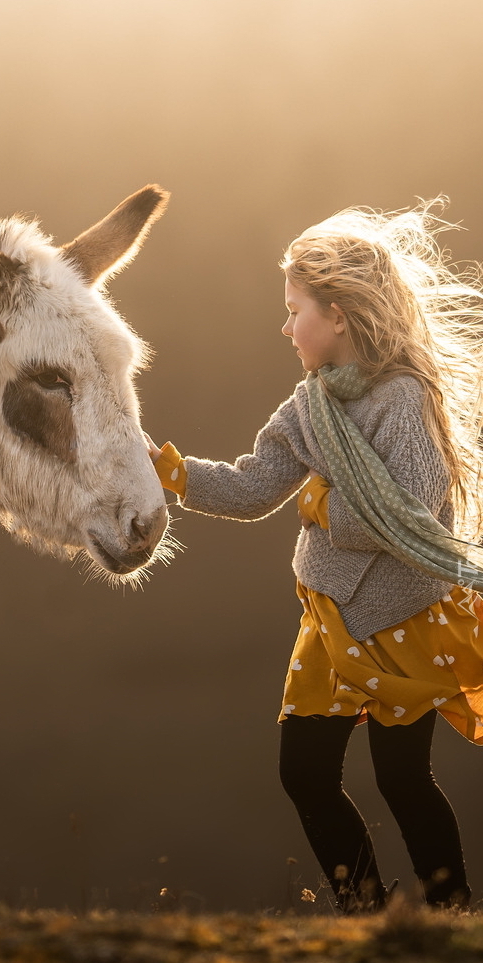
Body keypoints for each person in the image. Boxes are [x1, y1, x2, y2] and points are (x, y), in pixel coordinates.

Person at [147, 199, 483, 913]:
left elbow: (413, 513)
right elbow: (252, 486)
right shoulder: (308, 407)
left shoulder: (404, 400)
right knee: (304, 773)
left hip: (403, 622)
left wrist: (324, 507)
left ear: (337, 315)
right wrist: (170, 472)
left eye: (294, 308)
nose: (284, 325)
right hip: (329, 623)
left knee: (402, 779)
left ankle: (454, 914)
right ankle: (364, 910)